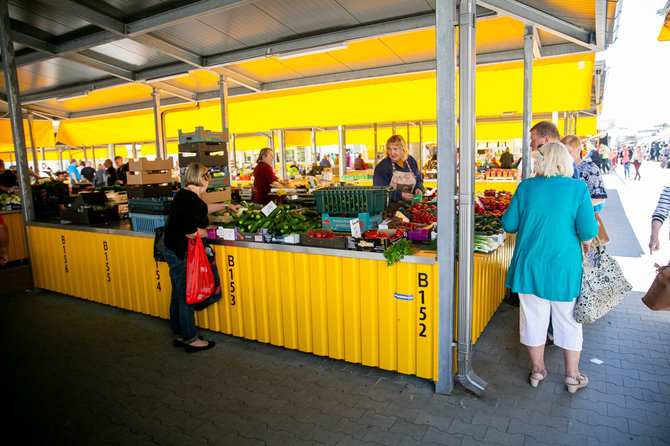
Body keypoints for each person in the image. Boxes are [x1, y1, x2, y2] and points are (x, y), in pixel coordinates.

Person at [502, 141, 598, 393]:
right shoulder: (577, 188)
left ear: (539, 161)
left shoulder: (526, 187)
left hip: (530, 265)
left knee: (533, 318)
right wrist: (585, 242)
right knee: (568, 321)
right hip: (564, 267)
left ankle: (537, 371)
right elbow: (588, 230)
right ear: (566, 161)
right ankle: (572, 376)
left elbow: (509, 225)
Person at [163, 163, 241, 353]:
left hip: (172, 249)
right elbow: (190, 231)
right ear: (202, 179)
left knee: (177, 295)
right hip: (181, 251)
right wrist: (212, 233)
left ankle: (179, 334)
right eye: (208, 179)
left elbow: (202, 209)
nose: (209, 183)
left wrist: (226, 205)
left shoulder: (187, 195)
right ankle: (191, 339)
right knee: (185, 297)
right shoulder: (189, 199)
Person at [373, 134, 424, 203]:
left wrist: (419, 188)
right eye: (389, 149)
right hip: (390, 208)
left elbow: (419, 179)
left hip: (411, 207)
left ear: (403, 149)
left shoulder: (411, 161)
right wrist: (400, 195)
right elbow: (380, 191)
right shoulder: (383, 167)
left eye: (395, 149)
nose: (392, 153)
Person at [562, 135, 607, 212]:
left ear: (578, 150)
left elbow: (600, 197)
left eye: (569, 152)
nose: (565, 155)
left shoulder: (590, 168)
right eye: (563, 152)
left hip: (582, 214)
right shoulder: (558, 168)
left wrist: (577, 206)